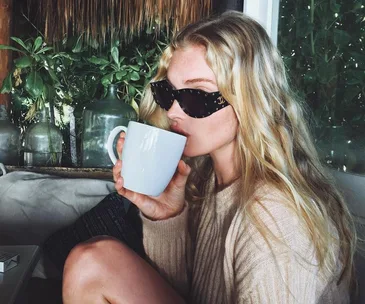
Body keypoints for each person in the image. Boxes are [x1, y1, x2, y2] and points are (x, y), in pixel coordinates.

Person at [62, 11, 356, 304]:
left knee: (92, 264)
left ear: (249, 99)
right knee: (92, 260)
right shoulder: (204, 178)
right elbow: (183, 293)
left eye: (195, 96)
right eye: (168, 93)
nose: (173, 111)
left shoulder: (274, 214)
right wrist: (165, 218)